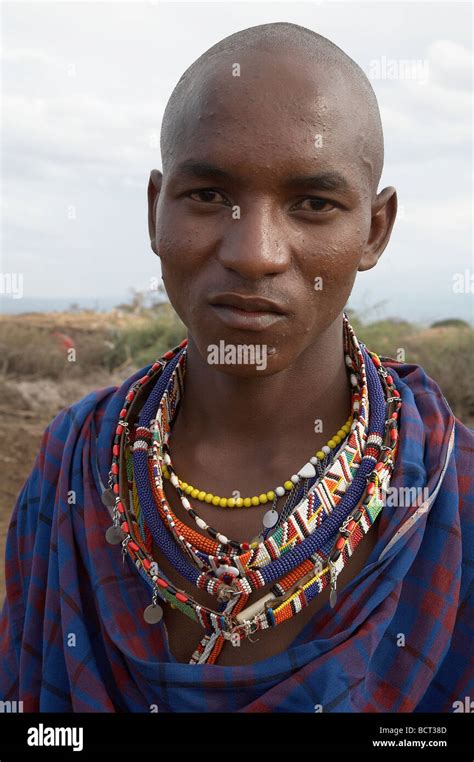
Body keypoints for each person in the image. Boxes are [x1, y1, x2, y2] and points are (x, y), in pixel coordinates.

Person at [0, 22, 472, 713]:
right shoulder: (73, 461)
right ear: (155, 210)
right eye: (209, 196)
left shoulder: (451, 492)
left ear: (374, 230)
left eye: (313, 203)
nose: (255, 253)